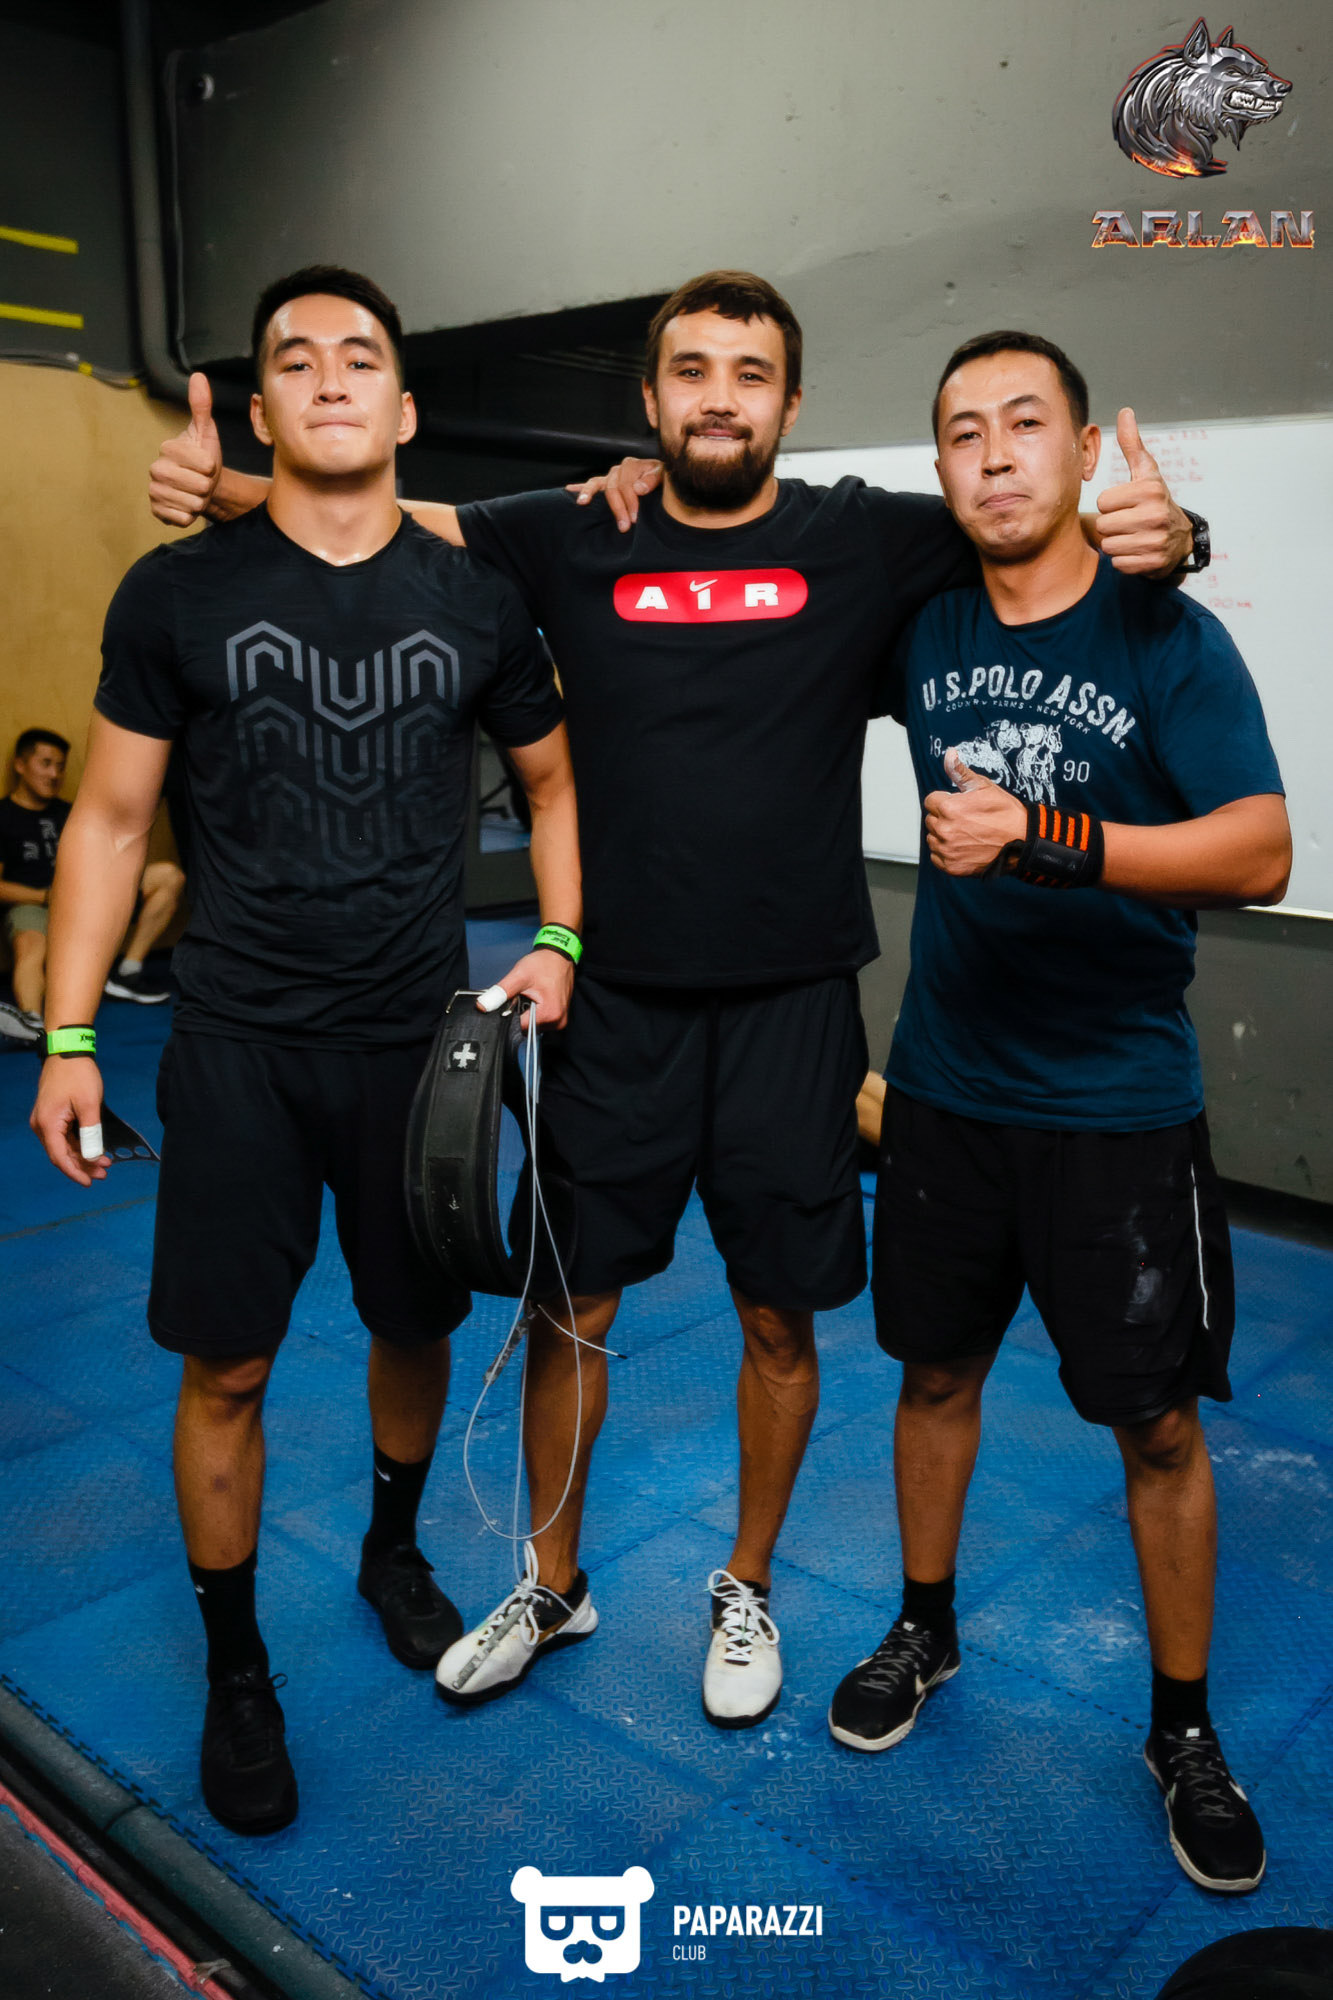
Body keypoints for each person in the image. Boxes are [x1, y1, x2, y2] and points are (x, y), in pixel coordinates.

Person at [145, 271, 1195, 1732]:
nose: (717, 398)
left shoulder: (868, 536)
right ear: (648, 401)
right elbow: (388, 517)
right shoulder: (577, 528)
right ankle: (551, 1582)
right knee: (567, 1310)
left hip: (790, 1004)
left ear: (791, 401)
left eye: (748, 374)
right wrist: (229, 486)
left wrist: (1179, 538)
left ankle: (746, 1584)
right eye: (690, 371)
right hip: (615, 1003)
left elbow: (1030, 524)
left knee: (778, 1320)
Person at [32, 266, 580, 1838]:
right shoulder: (176, 594)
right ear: (261, 410)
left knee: (413, 1325)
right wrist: (69, 1030)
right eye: (295, 359)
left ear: (403, 408)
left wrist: (559, 938)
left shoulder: (478, 599)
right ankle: (235, 1667)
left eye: (359, 357)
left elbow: (554, 782)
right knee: (229, 1363)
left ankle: (390, 1549)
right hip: (236, 1048)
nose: (330, 376)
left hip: (416, 1048)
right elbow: (111, 818)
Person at [824, 331, 1288, 1898]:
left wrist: (1049, 834)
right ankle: (925, 1626)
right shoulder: (923, 626)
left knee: (1157, 1426)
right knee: (933, 1372)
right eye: (964, 432)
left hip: (1117, 1109)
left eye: (1026, 423)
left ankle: (1182, 1728)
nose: (995, 453)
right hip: (948, 1095)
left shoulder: (1166, 633)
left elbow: (1259, 849)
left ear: (1085, 450)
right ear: (939, 469)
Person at [0, 729, 184, 1044]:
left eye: (60, 766)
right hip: (33, 903)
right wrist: (46, 896)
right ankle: (32, 1022)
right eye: (46, 764)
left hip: (83, 897)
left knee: (168, 875)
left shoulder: (69, 813)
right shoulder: (3, 816)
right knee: (32, 946)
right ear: (20, 765)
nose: (55, 774)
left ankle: (127, 973)